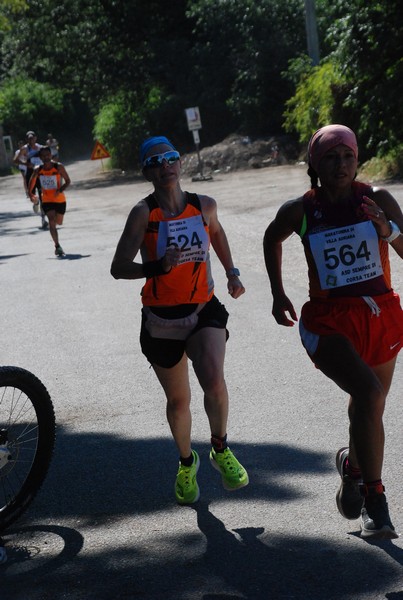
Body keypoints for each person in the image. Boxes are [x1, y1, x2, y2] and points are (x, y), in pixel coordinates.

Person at [263, 124, 403, 540]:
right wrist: (277, 293)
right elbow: (272, 237)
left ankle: (353, 470)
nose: (340, 165)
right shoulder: (302, 210)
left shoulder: (375, 199)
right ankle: (376, 503)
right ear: (314, 164)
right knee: (369, 394)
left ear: (357, 160)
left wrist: (388, 231)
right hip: (328, 320)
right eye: (330, 157)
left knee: (368, 406)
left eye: (347, 156)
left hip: (379, 315)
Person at [111, 135, 249, 505]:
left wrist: (232, 272)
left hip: (203, 308)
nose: (165, 165)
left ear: (180, 163)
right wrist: (158, 266)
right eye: (156, 162)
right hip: (161, 319)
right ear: (147, 172)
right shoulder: (144, 213)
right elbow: (118, 267)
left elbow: (216, 232)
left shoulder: (204, 205)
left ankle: (220, 448)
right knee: (179, 400)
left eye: (171, 158)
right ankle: (187, 462)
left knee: (214, 381)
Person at [28, 145, 71, 256]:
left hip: (59, 199)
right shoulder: (38, 169)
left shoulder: (58, 167)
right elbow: (32, 181)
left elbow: (67, 181)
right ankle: (57, 246)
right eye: (43, 156)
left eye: (48, 155)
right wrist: (30, 193)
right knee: (51, 221)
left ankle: (56, 238)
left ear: (51, 155)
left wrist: (60, 190)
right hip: (46, 200)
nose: (46, 157)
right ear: (40, 158)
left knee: (59, 222)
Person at [20, 131, 48, 229]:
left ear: (36, 138)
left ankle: (43, 220)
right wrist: (27, 164)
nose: (31, 139)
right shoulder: (24, 149)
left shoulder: (40, 148)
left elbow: (47, 157)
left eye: (32, 138)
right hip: (30, 175)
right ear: (27, 139)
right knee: (33, 196)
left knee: (42, 197)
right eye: (29, 138)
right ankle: (35, 203)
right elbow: (16, 160)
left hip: (39, 175)